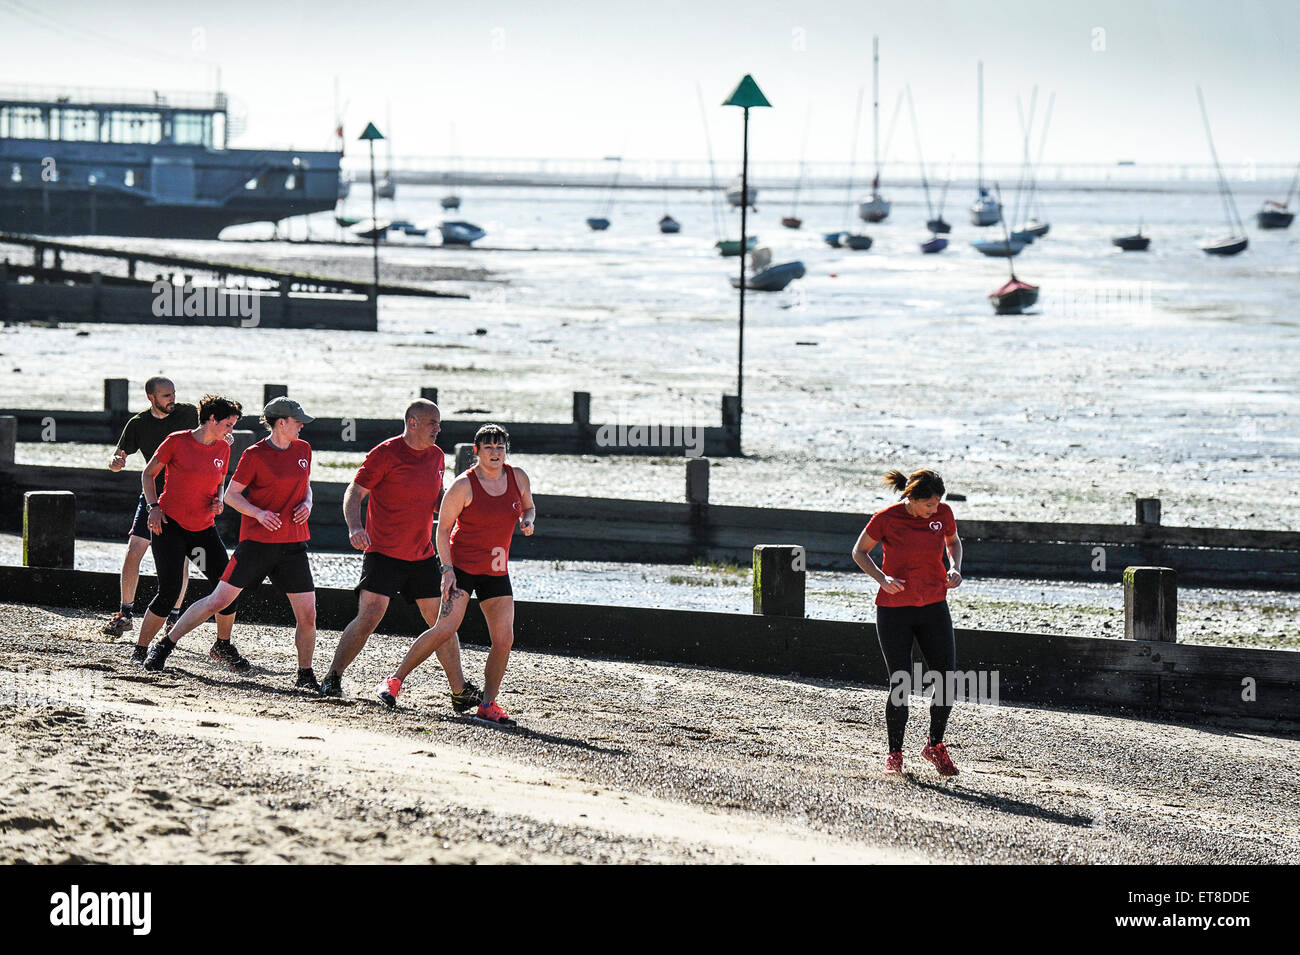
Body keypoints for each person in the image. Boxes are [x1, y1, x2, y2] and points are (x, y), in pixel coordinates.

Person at [318, 399, 480, 711]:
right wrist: (354, 527)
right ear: (413, 423)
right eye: (432, 422)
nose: (438, 428)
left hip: (421, 555)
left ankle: (459, 691)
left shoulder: (435, 456)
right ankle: (333, 677)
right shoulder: (385, 453)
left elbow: (436, 501)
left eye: (439, 423)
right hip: (383, 552)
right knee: (370, 616)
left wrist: (463, 509)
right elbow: (354, 492)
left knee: (442, 623)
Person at [154, 398, 320, 691]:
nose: (302, 426)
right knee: (218, 601)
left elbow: (306, 486)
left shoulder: (304, 449)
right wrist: (259, 513)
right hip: (256, 544)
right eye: (298, 421)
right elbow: (232, 495)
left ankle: (305, 674)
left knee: (308, 615)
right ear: (281, 423)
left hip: (294, 543)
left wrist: (307, 504)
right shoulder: (254, 455)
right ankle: (165, 645)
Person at [376, 423, 535, 726]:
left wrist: (528, 520)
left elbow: (529, 507)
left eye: (500, 447)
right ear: (476, 452)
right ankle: (394, 681)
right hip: (462, 568)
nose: (495, 453)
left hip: (496, 570)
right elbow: (443, 530)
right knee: (444, 628)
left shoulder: (518, 477)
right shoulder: (464, 485)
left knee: (504, 639)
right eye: (488, 448)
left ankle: (487, 704)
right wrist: (446, 571)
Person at [851, 468, 963, 777]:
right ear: (911, 497)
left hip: (934, 607)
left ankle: (935, 745)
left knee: (946, 680)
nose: (934, 509)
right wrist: (882, 578)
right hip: (894, 611)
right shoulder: (886, 518)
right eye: (928, 504)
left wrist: (955, 567)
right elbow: (859, 552)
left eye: (938, 503)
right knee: (900, 682)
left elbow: (953, 542)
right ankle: (894, 754)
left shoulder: (944, 513)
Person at [138, 395, 248, 672]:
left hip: (203, 528)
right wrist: (153, 507)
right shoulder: (177, 441)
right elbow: (148, 474)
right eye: (228, 424)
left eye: (233, 425)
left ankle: (222, 644)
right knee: (169, 591)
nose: (230, 431)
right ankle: (140, 649)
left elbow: (219, 482)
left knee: (227, 587)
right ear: (211, 419)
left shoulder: (224, 447)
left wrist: (219, 500)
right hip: (169, 526)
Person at [103, 377, 198, 638]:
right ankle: (125, 613)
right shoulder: (138, 423)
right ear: (151, 398)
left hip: (184, 496)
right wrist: (115, 462)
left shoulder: (189, 413)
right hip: (153, 493)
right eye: (166, 395)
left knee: (181, 560)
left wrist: (226, 436)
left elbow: (210, 434)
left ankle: (174, 617)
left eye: (173, 394)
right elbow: (117, 458)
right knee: (135, 549)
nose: (172, 399)